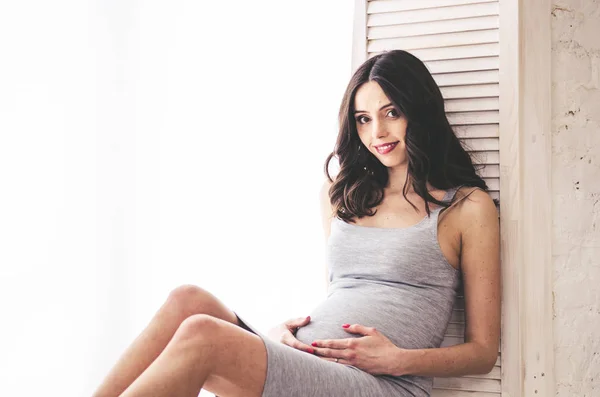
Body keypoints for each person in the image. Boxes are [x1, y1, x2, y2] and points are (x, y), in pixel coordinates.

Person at [92, 49, 501, 397]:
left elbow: (483, 351)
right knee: (187, 300)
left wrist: (397, 359)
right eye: (363, 119)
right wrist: (279, 339)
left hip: (381, 383)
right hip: (316, 362)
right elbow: (343, 293)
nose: (378, 132)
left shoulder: (465, 207)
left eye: (391, 112)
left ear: (420, 110)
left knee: (202, 333)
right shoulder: (342, 195)